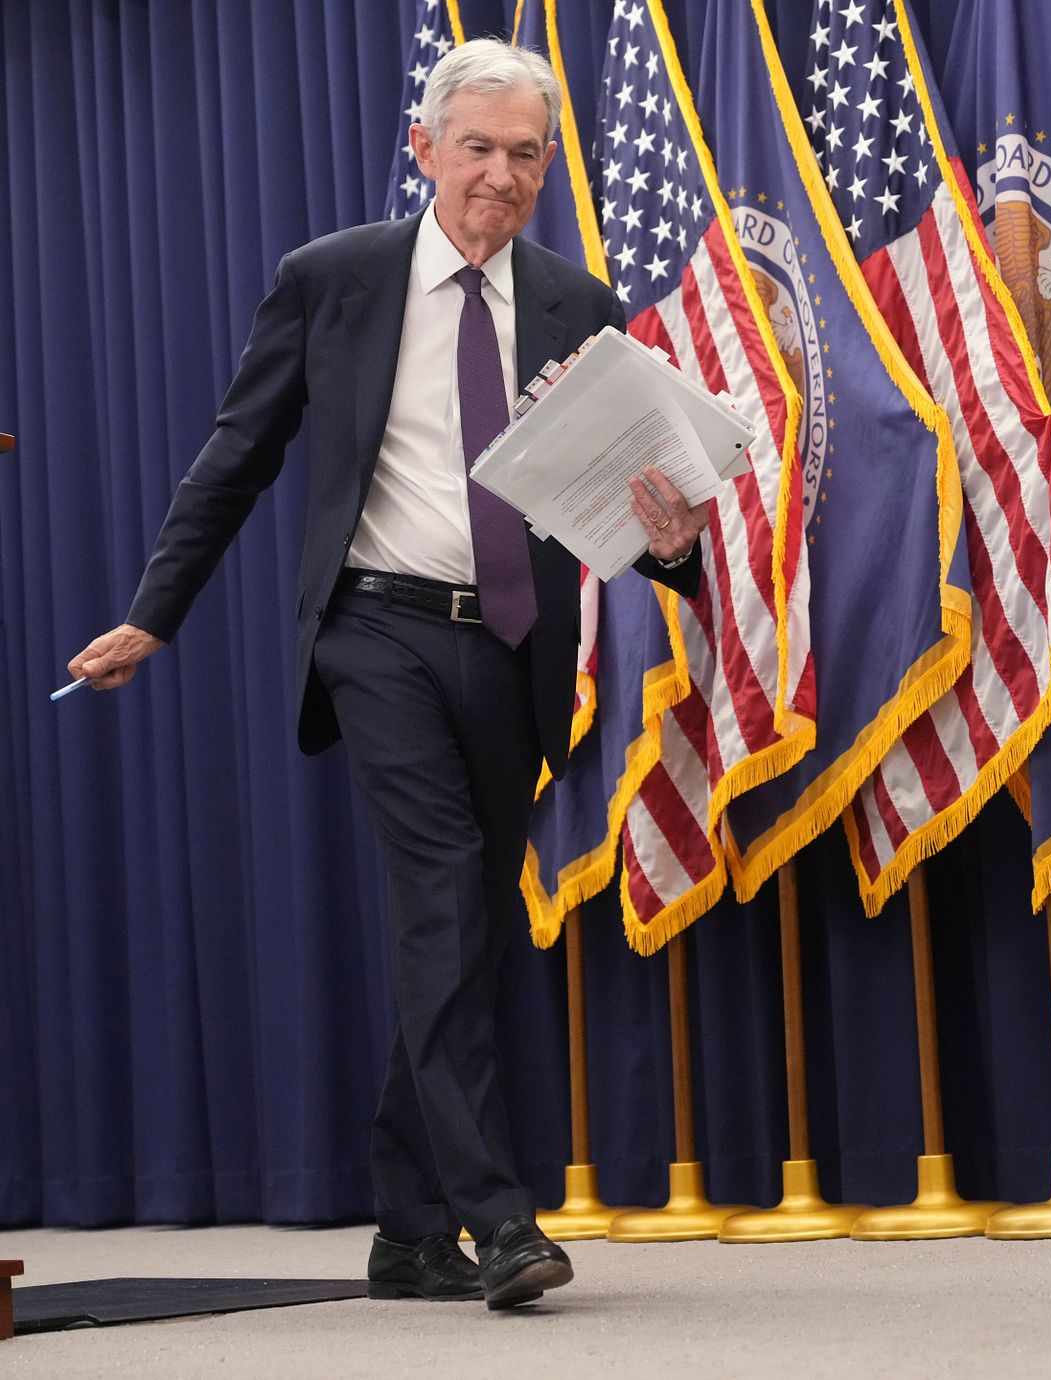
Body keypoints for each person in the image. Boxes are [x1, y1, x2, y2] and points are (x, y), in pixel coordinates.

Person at [67, 40, 708, 1310]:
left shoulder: (580, 303)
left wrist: (672, 545)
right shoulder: (334, 280)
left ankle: (407, 1233)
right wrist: (153, 615)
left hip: (515, 643)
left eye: (525, 154)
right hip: (375, 631)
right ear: (424, 149)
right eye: (478, 147)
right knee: (442, 899)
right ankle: (499, 1219)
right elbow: (235, 458)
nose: (501, 175)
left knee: (469, 929)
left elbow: (612, 498)